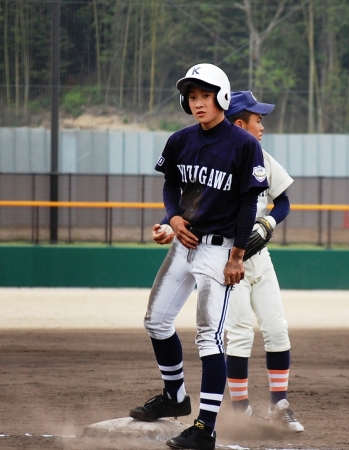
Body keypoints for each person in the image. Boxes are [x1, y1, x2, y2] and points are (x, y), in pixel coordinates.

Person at [129, 64, 268, 450]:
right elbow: (171, 185)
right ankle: (174, 396)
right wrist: (172, 219)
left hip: (220, 250)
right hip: (184, 243)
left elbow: (248, 203)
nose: (198, 103)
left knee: (209, 336)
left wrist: (237, 256)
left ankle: (205, 428)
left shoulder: (244, 145)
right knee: (156, 321)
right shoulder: (180, 141)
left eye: (205, 95)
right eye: (192, 97)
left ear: (222, 97)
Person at [152, 90, 303, 433]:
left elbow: (282, 201)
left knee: (276, 328)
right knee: (238, 333)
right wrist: (169, 224)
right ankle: (240, 410)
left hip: (257, 257)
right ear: (239, 123)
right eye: (257, 119)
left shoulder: (261, 157)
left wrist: (268, 223)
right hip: (224, 257)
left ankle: (279, 405)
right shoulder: (209, 156)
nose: (262, 126)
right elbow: (192, 206)